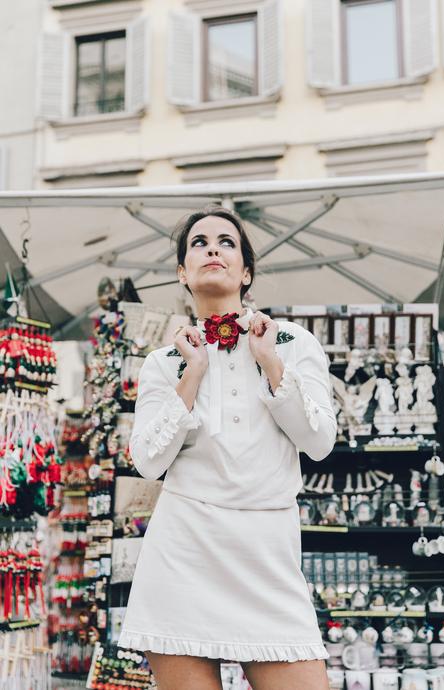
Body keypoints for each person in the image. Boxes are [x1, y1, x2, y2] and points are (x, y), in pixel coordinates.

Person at [118, 205, 337, 690]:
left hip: (267, 550)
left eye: (226, 242)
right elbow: (148, 462)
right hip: (183, 552)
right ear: (182, 273)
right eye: (198, 243)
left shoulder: (293, 343)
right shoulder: (162, 362)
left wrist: (272, 364)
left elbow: (320, 442)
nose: (212, 248)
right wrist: (192, 373)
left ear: (246, 271)